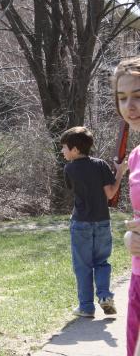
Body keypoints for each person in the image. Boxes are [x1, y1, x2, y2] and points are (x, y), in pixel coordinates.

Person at [60, 126, 126, 318]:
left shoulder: (69, 169)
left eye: (64, 147)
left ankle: (86, 307)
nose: (63, 151)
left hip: (81, 223)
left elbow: (74, 189)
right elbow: (110, 193)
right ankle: (105, 296)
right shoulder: (100, 165)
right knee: (102, 262)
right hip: (103, 221)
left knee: (83, 266)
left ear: (75, 150)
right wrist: (119, 172)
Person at [112, 55, 140, 356]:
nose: (129, 107)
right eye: (122, 98)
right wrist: (129, 238)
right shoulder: (135, 157)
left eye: (138, 96)